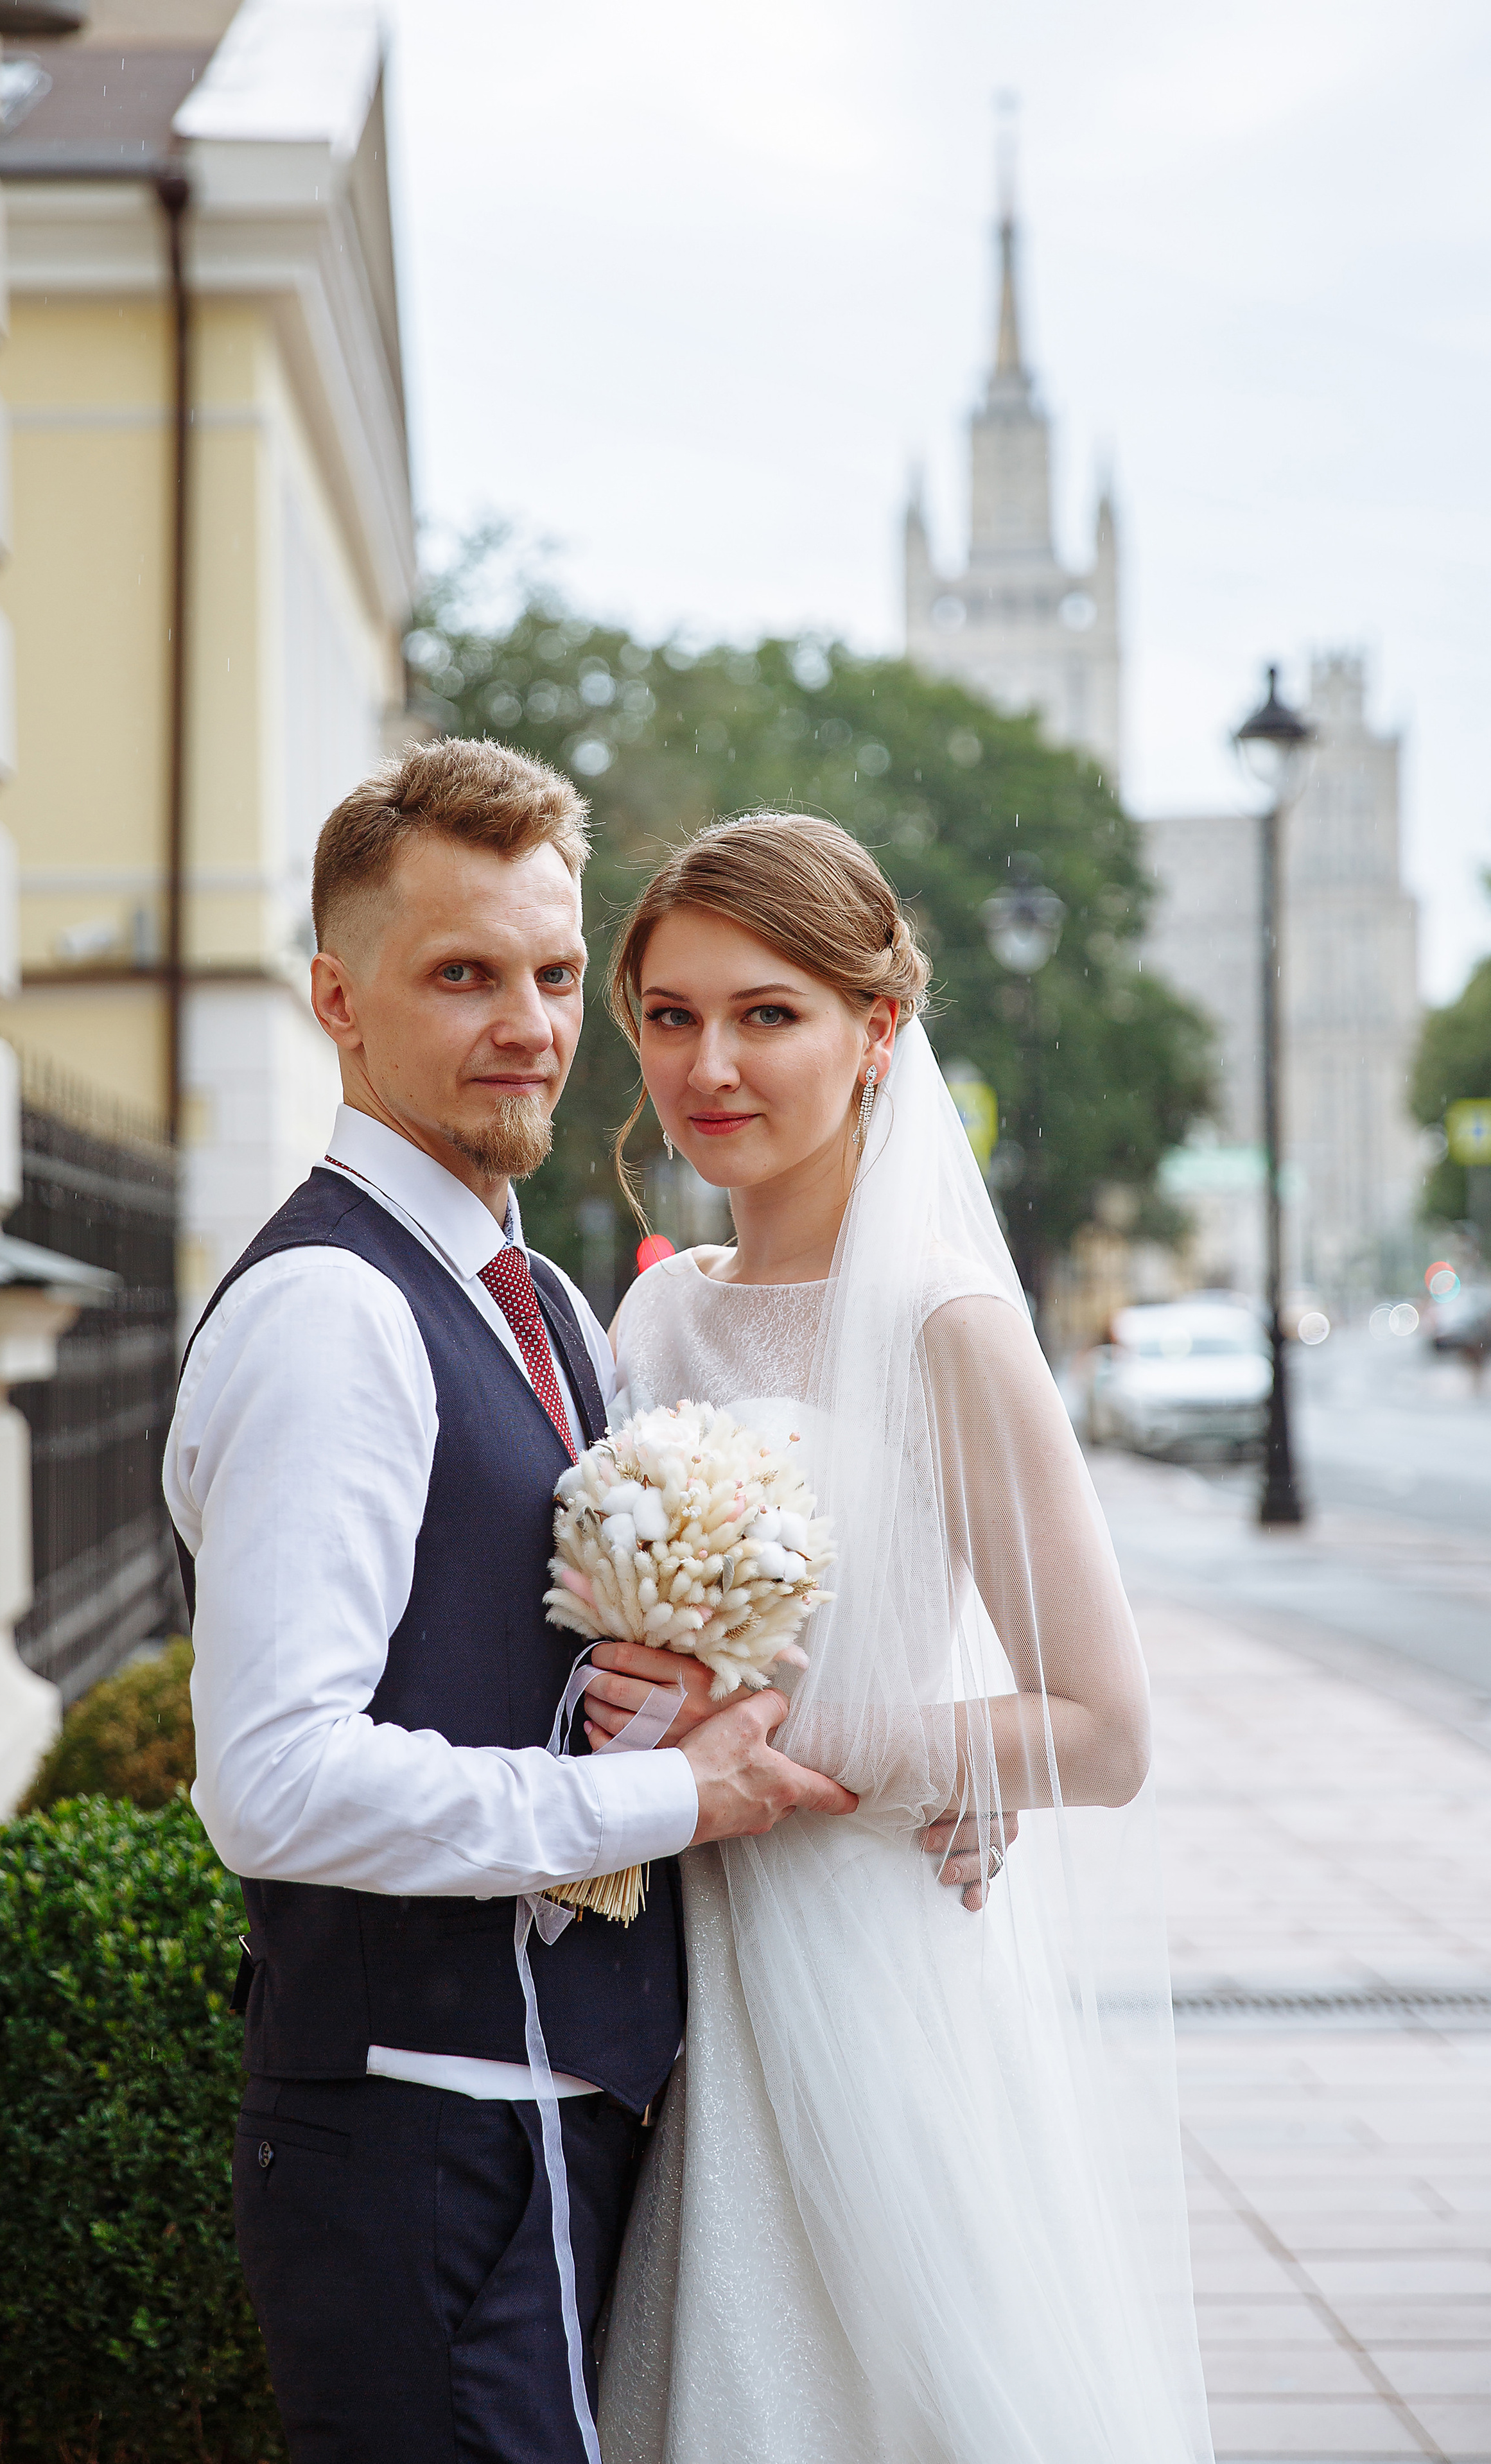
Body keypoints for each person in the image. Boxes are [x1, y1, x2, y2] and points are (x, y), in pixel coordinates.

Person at [163, 743, 1003, 2464]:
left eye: (553, 974)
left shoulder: (539, 1288)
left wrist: (916, 1763)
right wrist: (670, 1795)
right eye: (461, 974)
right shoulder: (335, 1309)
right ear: (338, 998)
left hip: (567, 2109)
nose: (530, 1023)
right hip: (424, 2125)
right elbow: (275, 1776)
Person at [582, 812, 1214, 2463]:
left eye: (765, 1010)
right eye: (666, 1013)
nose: (707, 1061)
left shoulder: (947, 1319)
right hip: (655, 1934)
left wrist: (801, 1750)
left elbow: (1103, 1727)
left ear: (874, 1031)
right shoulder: (653, 1310)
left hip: (856, 1954)